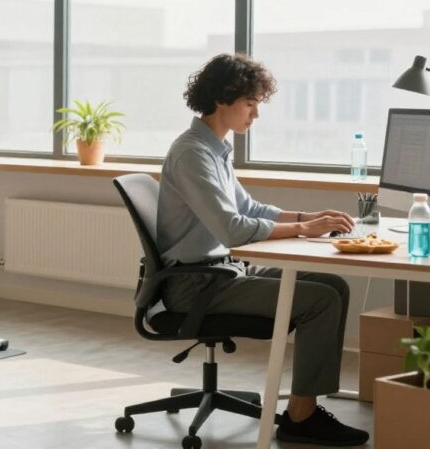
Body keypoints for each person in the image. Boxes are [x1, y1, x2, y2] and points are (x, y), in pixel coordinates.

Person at [157, 53, 369, 446]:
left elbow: (248, 208)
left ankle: (305, 406)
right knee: (319, 300)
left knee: (333, 285)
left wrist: (310, 215)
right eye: (250, 104)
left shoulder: (214, 149)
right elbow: (232, 228)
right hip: (198, 283)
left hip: (221, 271)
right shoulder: (192, 154)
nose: (255, 115)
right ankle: (301, 418)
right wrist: (305, 228)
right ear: (223, 99)